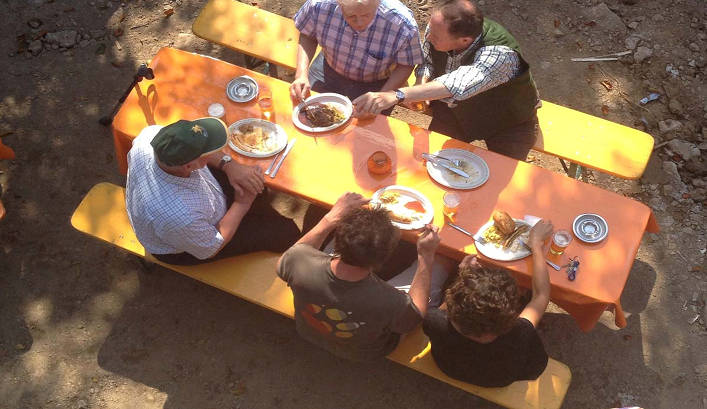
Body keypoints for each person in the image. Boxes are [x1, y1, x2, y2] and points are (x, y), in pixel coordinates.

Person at [353, 0, 540, 161]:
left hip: (507, 122)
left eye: (435, 36)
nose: (428, 36)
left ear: (464, 41)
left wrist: (398, 94)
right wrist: (421, 82)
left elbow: (457, 84)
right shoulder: (439, 27)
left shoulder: (500, 55)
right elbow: (427, 60)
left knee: (500, 176)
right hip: (454, 112)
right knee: (436, 164)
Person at [277, 193, 440, 361]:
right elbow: (414, 318)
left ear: (336, 239)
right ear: (388, 257)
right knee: (441, 264)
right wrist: (426, 257)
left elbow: (291, 257)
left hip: (309, 331)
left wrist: (330, 218)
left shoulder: (297, 261)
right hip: (365, 352)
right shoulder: (390, 301)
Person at [125, 118, 299, 265]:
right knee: (288, 233)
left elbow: (198, 153)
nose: (216, 152)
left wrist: (230, 165)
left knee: (255, 186)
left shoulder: (151, 136)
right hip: (189, 246)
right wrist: (242, 204)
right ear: (189, 166)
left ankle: (252, 214)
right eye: (208, 152)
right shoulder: (179, 216)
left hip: (198, 206)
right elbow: (212, 246)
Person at [422, 219, 554, 387]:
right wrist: (536, 244)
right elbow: (541, 295)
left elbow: (447, 305)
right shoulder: (521, 334)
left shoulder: (434, 320)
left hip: (448, 367)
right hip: (498, 381)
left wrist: (462, 276)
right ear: (510, 317)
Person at [289, 0, 424, 103]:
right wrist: (301, 75)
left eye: (366, 15)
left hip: (376, 83)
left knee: (367, 117)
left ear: (378, 4)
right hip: (327, 69)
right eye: (351, 16)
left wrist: (383, 96)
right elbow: (308, 35)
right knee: (304, 107)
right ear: (339, 4)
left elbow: (406, 64)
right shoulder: (319, 5)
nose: (360, 23)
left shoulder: (402, 24)